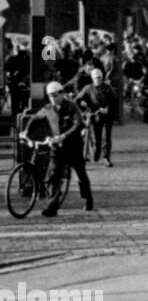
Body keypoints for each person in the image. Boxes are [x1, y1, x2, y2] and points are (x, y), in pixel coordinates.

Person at [22, 80, 94, 217]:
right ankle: (52, 207)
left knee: (81, 174)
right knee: (54, 176)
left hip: (73, 147)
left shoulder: (72, 107)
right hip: (57, 147)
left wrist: (64, 136)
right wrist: (26, 131)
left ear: (62, 94)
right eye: (50, 95)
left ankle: (88, 198)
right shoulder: (48, 109)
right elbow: (35, 119)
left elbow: (77, 124)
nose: (53, 98)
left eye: (55, 95)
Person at [76, 66, 118, 167]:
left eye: (99, 77)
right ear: (92, 78)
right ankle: (96, 151)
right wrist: (82, 106)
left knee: (106, 137)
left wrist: (108, 108)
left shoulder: (108, 88)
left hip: (107, 116)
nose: (98, 80)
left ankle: (106, 157)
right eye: (96, 78)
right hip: (95, 116)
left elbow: (115, 100)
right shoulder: (88, 89)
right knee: (97, 137)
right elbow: (77, 100)